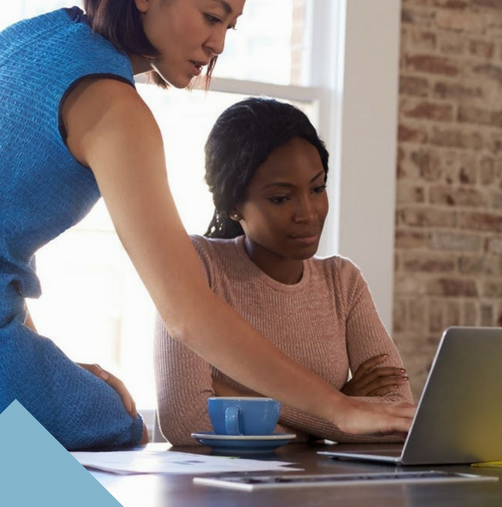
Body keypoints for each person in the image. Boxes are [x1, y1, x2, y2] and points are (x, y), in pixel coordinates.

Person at [0, 0, 413, 452]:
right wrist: (339, 409)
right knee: (116, 427)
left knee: (90, 406)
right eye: (212, 17)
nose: (218, 44)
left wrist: (35, 354)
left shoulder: (28, 40)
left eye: (229, 26)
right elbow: (186, 310)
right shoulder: (114, 107)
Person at [155, 98, 412, 445]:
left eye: (317, 189)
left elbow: (396, 415)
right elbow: (187, 419)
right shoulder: (196, 267)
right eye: (280, 198)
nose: (307, 212)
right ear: (232, 205)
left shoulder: (343, 281)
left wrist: (238, 396)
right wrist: (341, 408)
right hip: (221, 493)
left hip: (317, 489)